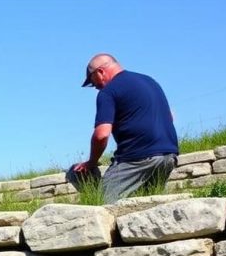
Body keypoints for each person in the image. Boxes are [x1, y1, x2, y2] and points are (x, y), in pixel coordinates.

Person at [67, 54, 179, 203]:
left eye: (94, 83)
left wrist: (92, 162)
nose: (96, 87)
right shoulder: (150, 81)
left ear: (100, 72)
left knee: (99, 203)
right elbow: (170, 116)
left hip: (137, 158)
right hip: (169, 156)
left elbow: (102, 134)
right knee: (146, 204)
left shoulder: (108, 91)